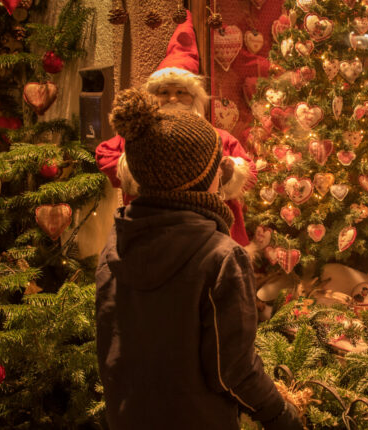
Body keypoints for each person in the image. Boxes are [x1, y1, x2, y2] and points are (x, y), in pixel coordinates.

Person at [95, 89, 304, 430]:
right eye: (218, 166)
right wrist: (281, 414)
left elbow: (111, 347)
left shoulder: (115, 243)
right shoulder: (221, 256)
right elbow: (233, 370)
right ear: (203, 178)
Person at [95, 10, 254, 246]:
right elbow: (104, 154)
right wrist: (139, 170)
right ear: (152, 96)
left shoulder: (217, 137)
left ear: (194, 98)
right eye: (164, 93)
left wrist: (229, 174)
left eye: (181, 93)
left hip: (212, 235)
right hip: (152, 230)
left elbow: (247, 169)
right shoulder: (136, 136)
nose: (172, 99)